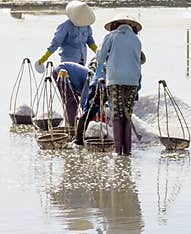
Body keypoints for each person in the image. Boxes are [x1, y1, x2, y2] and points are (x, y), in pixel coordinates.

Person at [96, 14, 143, 156]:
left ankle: (118, 152)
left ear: (114, 25)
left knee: (117, 113)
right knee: (127, 114)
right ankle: (127, 151)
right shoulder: (136, 40)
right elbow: (139, 60)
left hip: (115, 79)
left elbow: (99, 59)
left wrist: (101, 50)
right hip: (133, 81)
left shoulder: (111, 36)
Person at [35, 1, 98, 70]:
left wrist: (99, 53)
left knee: (80, 79)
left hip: (82, 60)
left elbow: (90, 41)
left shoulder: (86, 26)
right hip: (68, 61)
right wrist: (44, 58)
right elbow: (55, 43)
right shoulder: (65, 26)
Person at [53, 62, 92, 128]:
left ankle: (73, 125)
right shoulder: (91, 81)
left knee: (74, 101)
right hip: (62, 72)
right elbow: (84, 101)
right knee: (72, 102)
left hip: (66, 72)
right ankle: (72, 127)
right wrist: (86, 117)